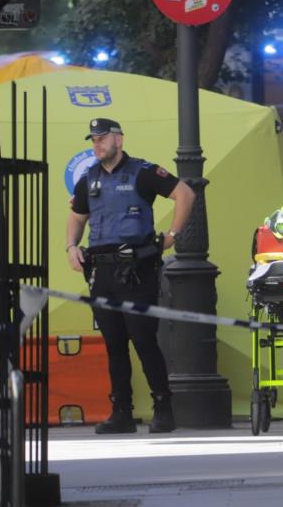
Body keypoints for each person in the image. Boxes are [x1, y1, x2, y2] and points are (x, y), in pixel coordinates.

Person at [66, 117, 194, 434]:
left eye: (102, 138)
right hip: (101, 270)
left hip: (136, 268)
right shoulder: (89, 178)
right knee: (114, 344)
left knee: (143, 339)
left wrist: (173, 236)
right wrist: (71, 247)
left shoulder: (143, 171)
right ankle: (121, 411)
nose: (96, 144)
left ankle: (163, 407)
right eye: (93, 139)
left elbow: (186, 195)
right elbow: (77, 215)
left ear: (118, 140)